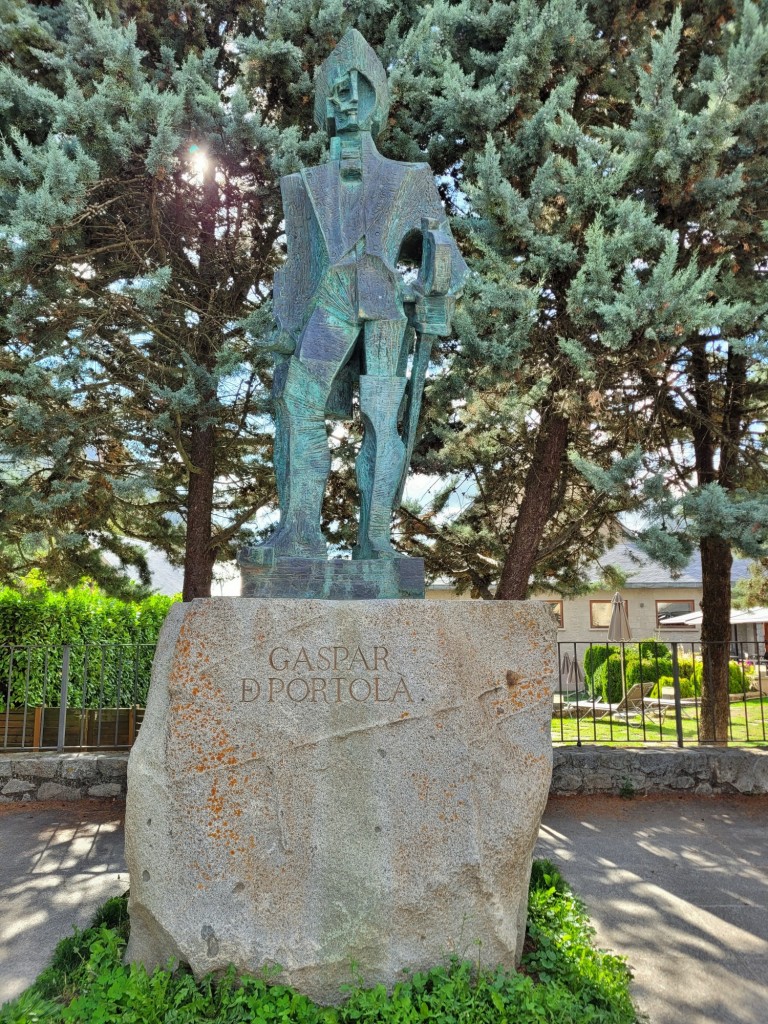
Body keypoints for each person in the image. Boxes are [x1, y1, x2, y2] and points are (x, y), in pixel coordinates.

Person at [260, 29, 467, 561]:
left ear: (378, 100)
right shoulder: (305, 182)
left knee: (381, 417)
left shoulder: (408, 179)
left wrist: (432, 285)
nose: (349, 99)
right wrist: (282, 323)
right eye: (339, 89)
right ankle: (301, 534)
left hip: (383, 303)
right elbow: (297, 267)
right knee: (298, 400)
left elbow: (450, 263)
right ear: (324, 104)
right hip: (330, 301)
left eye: (361, 88)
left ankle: (375, 542)